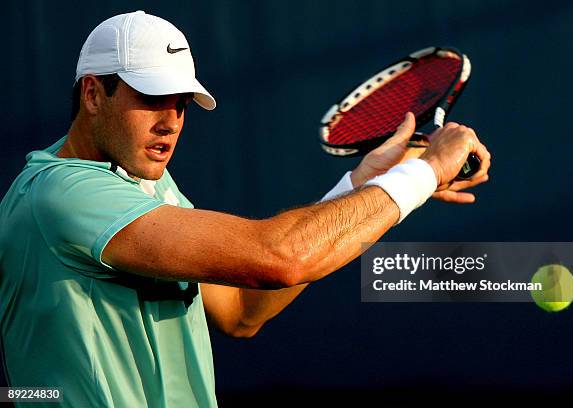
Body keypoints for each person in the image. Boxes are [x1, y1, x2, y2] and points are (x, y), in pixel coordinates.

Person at [0, 10, 490, 408]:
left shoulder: (146, 185)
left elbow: (242, 312)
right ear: (92, 93)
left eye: (182, 103)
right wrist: (422, 173)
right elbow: (279, 258)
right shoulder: (61, 194)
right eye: (151, 99)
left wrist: (365, 182)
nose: (171, 122)